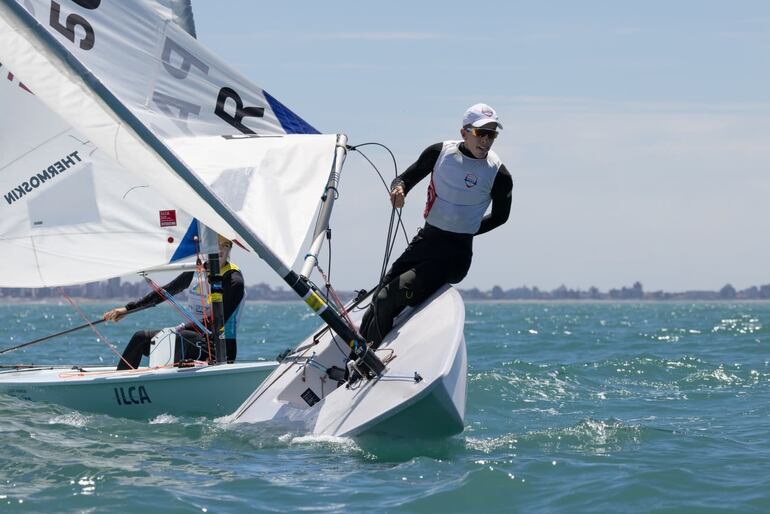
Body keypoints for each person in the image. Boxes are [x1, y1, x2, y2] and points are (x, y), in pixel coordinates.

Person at [359, 103, 513, 346]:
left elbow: (500, 217)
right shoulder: (440, 153)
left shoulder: (498, 174)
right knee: (379, 294)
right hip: (425, 242)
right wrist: (398, 189)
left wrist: (468, 229)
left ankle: (367, 363)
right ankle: (358, 353)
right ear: (464, 133)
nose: (486, 140)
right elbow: (404, 179)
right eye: (480, 133)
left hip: (455, 256)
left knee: (388, 297)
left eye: (492, 134)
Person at [104, 235, 245, 370]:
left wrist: (182, 328)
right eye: (215, 245)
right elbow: (166, 291)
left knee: (177, 338)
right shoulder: (197, 270)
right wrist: (128, 309)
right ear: (207, 248)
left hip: (219, 348)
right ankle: (119, 386)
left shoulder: (234, 280)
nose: (220, 249)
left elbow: (218, 320)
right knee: (141, 338)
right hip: (192, 337)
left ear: (229, 249)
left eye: (225, 245)